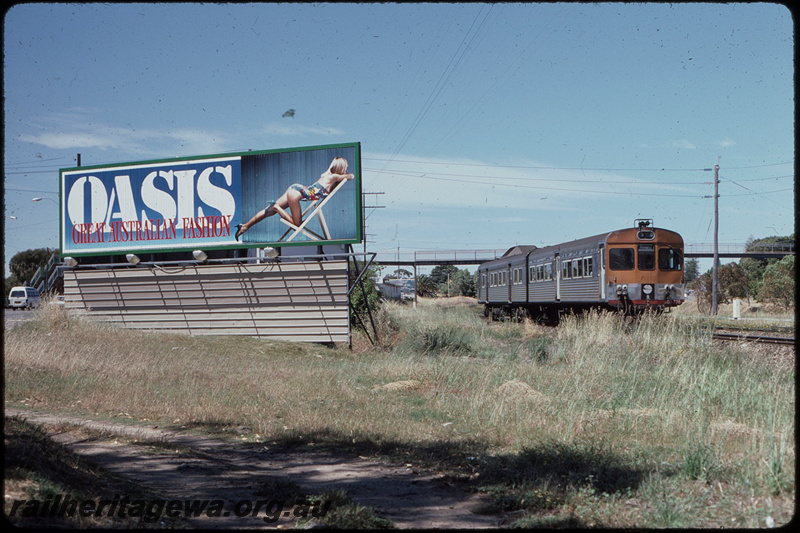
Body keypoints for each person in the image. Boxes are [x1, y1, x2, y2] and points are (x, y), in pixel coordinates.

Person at [235, 157, 354, 241]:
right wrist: (346, 174)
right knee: (297, 224)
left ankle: (245, 226)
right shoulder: (333, 177)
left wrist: (332, 167)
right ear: (340, 167)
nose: (346, 170)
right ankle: (277, 208)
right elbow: (350, 176)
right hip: (297, 193)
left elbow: (330, 171)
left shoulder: (326, 175)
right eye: (345, 168)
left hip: (296, 189)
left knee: (268, 211)